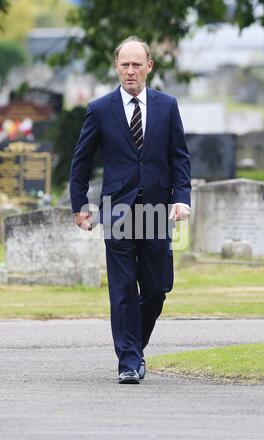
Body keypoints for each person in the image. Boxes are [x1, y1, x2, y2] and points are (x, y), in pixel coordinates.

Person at [70, 36, 191, 384]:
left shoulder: (167, 106)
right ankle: (128, 361)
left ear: (149, 66)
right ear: (116, 67)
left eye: (137, 64)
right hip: (117, 211)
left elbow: (179, 157)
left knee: (156, 288)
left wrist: (181, 197)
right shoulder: (100, 109)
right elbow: (80, 163)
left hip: (156, 211)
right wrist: (80, 205)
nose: (130, 71)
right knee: (122, 289)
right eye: (124, 64)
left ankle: (134, 347)